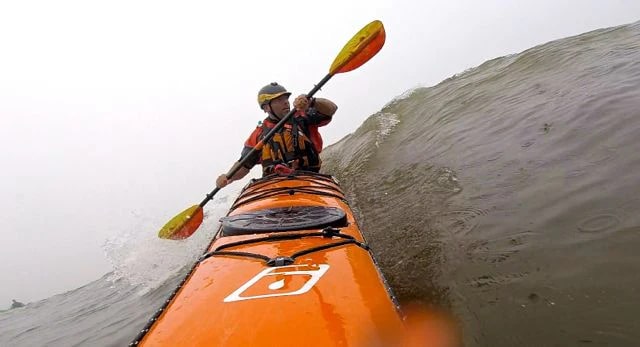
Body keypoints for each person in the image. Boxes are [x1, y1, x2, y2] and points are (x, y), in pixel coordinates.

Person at [216, 82, 337, 188]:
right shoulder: (259, 133)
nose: (285, 102)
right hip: (274, 187)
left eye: (286, 99)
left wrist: (311, 102)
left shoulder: (302, 117)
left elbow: (331, 109)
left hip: (310, 180)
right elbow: (244, 164)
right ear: (266, 107)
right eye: (279, 100)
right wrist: (228, 177)